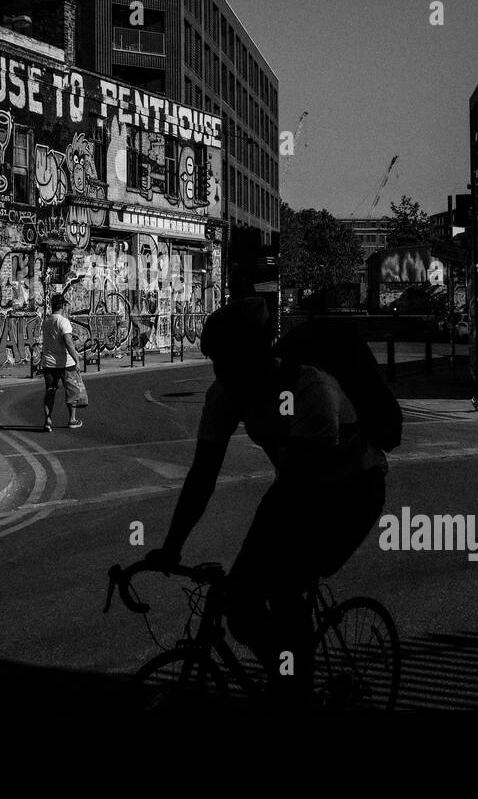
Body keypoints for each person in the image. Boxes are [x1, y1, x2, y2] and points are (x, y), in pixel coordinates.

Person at [146, 297, 394, 708]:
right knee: (241, 605)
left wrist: (251, 570)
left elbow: (297, 495)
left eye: (228, 361)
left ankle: (295, 692)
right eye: (215, 362)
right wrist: (171, 547)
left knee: (284, 585)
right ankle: (287, 676)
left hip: (353, 493)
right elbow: (202, 475)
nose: (220, 372)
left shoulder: (312, 390)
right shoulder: (225, 393)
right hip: (300, 487)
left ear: (257, 354)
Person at [40, 293, 82, 432]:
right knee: (71, 391)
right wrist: (77, 359)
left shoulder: (46, 321)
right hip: (66, 363)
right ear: (63, 306)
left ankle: (48, 420)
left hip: (49, 363)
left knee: (50, 392)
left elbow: (54, 338)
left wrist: (68, 336)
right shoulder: (64, 321)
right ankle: (72, 419)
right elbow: (68, 343)